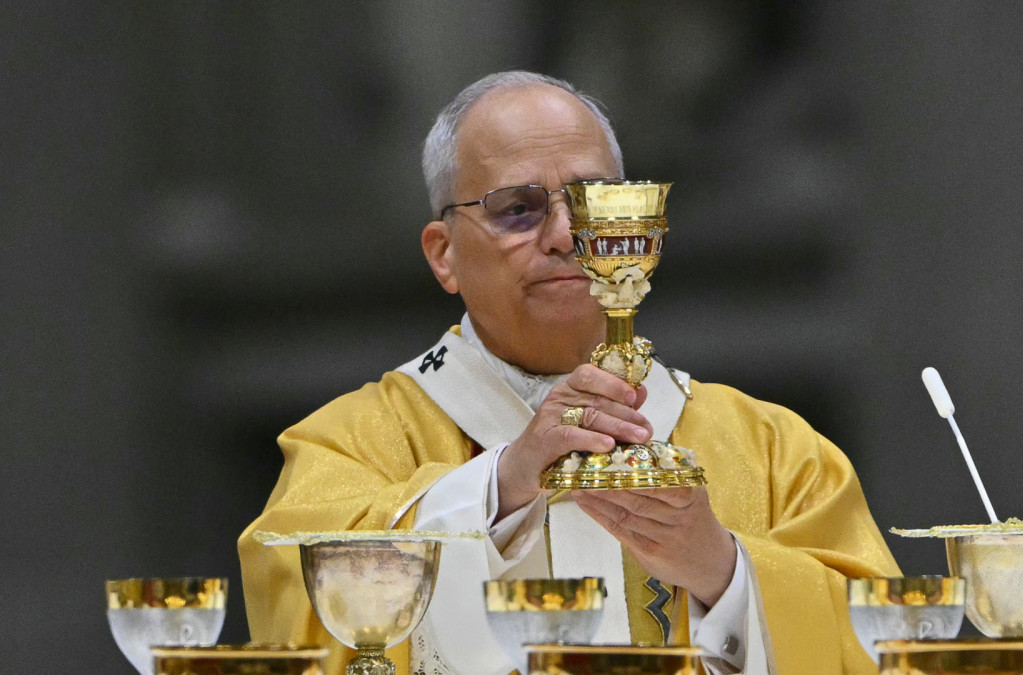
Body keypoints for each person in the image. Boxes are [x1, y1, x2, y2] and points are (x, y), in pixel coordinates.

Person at [238, 71, 899, 675]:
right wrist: (503, 485)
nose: (563, 235)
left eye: (593, 204)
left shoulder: (775, 451)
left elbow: (885, 644)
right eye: (517, 208)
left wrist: (723, 573)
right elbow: (302, 610)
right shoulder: (346, 445)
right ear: (444, 255)